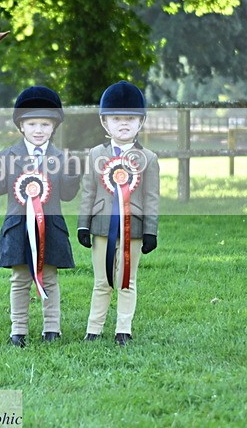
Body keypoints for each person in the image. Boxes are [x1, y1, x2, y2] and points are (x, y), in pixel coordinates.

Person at [0, 86, 81, 347]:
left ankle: (52, 329)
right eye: (32, 124)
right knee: (19, 279)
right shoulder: (7, 156)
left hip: (51, 227)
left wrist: (73, 173)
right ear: (21, 126)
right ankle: (18, 330)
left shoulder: (62, 157)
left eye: (45, 124)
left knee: (50, 278)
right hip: (18, 227)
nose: (39, 130)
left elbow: (68, 194)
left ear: (54, 126)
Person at [77, 81, 160, 346]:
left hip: (133, 228)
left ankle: (123, 329)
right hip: (102, 227)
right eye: (116, 119)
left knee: (127, 280)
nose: (123, 124)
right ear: (105, 123)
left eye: (130, 119)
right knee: (102, 281)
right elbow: (88, 192)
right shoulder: (95, 155)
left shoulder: (149, 158)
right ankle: (93, 329)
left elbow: (151, 198)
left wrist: (150, 231)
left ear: (141, 122)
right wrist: (83, 225)